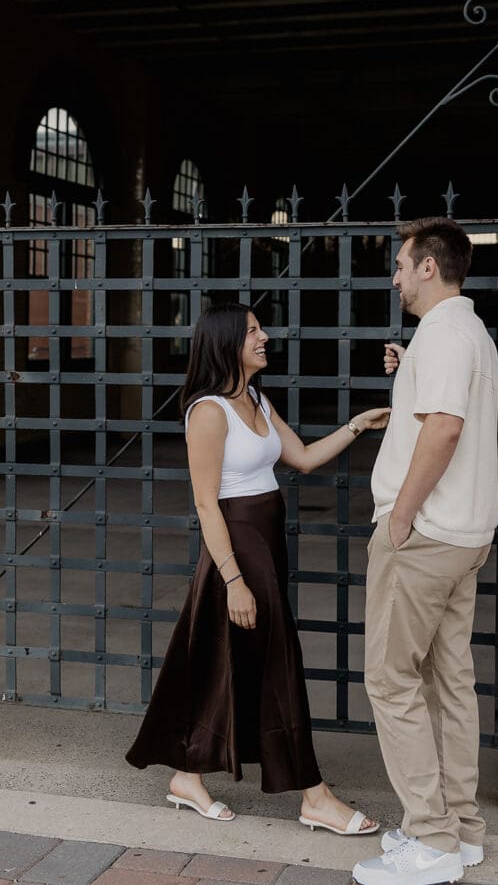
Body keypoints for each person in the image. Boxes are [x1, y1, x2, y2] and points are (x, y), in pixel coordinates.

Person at [126, 302, 390, 836]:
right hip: (238, 548)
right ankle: (313, 795)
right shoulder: (207, 412)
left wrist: (358, 424)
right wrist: (234, 581)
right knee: (278, 662)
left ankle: (187, 775)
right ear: (228, 342)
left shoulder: (255, 399)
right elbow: (205, 503)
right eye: (253, 331)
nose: (265, 336)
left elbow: (305, 458)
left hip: (265, 542)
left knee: (223, 658)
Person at [352, 217, 498, 885]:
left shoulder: (442, 332)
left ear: (428, 268)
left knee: (389, 681)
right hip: (464, 536)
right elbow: (443, 409)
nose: (395, 276)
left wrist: (401, 516)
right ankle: (462, 831)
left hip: (425, 534)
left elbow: (442, 430)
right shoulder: (465, 332)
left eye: (401, 264)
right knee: (449, 683)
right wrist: (409, 370)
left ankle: (432, 839)